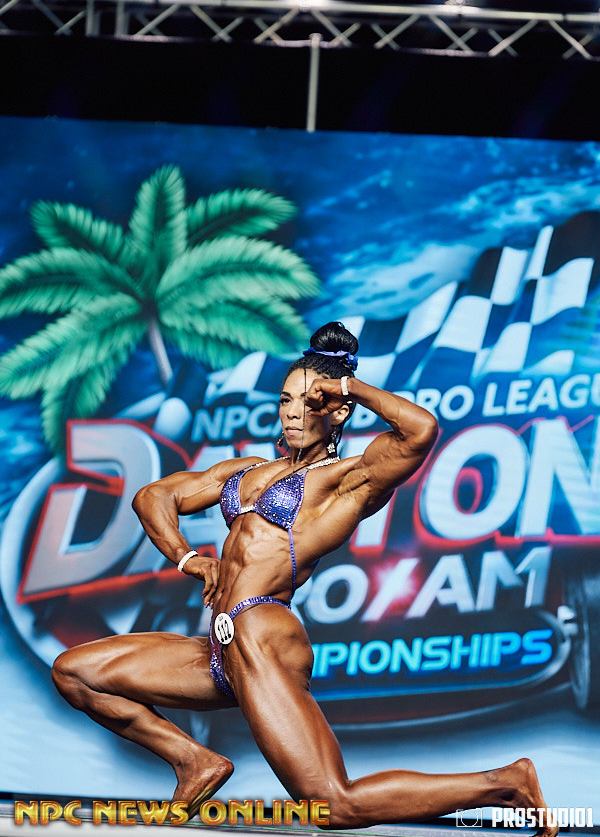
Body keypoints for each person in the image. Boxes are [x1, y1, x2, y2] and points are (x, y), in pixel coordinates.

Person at [52, 321, 557, 835]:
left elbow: (419, 430)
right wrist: (188, 559)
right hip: (220, 650)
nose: (293, 411)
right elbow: (154, 496)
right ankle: (194, 761)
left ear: (337, 411)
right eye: (286, 399)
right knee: (75, 672)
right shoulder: (246, 470)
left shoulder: (344, 482)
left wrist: (347, 386)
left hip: (263, 635)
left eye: (309, 401)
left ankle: (505, 784)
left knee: (334, 805)